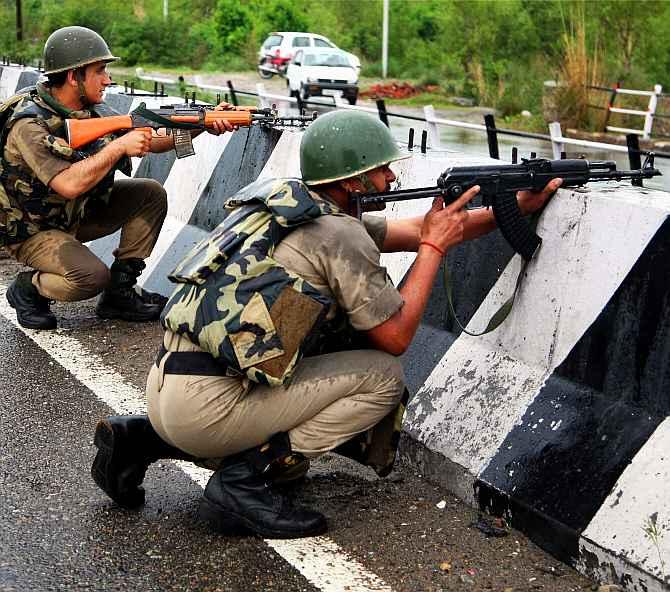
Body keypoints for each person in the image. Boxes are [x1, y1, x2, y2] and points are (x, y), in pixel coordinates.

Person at [90, 110, 561, 538]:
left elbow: (417, 229)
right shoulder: (339, 234)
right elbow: (395, 338)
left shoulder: (290, 210)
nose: (392, 176)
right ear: (354, 182)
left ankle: (140, 439)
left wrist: (513, 207)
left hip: (168, 390)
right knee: (383, 378)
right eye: (382, 168)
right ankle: (244, 480)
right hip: (208, 410)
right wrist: (433, 251)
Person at [0, 26, 233, 330]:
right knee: (91, 277)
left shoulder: (90, 108)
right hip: (32, 229)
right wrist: (119, 147)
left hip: (76, 214)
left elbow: (152, 138)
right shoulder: (29, 123)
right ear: (74, 76)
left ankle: (120, 294)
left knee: (149, 194)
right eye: (100, 71)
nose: (108, 79)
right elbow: (69, 185)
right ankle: (28, 287)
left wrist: (203, 124)